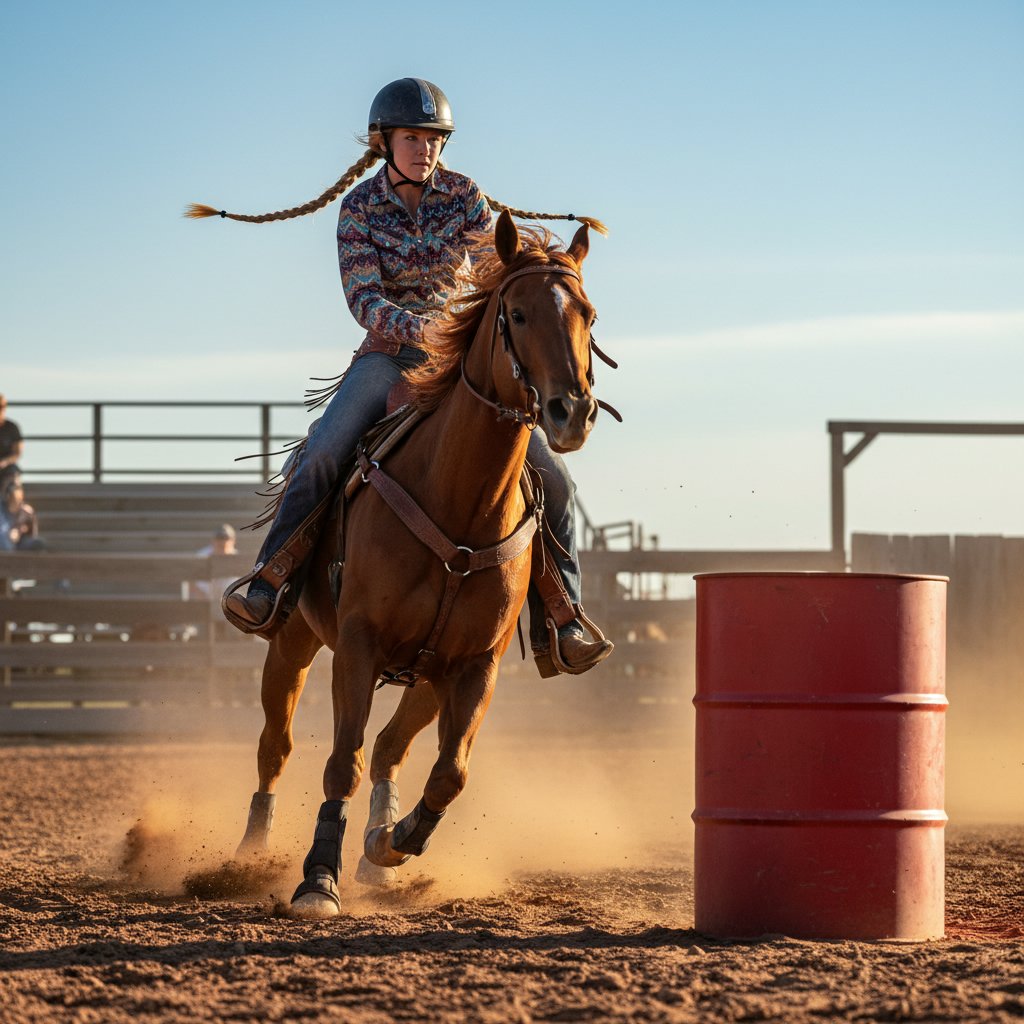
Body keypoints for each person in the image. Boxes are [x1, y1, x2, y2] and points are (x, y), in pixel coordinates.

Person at [188, 77, 612, 675]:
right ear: (385, 141)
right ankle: (271, 577)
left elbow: (500, 273)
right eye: (413, 137)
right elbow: (363, 298)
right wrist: (425, 333)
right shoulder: (358, 208)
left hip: (463, 367)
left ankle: (563, 617)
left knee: (556, 480)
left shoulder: (466, 197)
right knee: (325, 450)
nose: (425, 149)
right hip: (386, 355)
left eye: (434, 139)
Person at [186, 524, 239, 601]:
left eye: (226, 538)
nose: (222, 541)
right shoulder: (202, 555)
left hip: (227, 601)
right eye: (219, 538)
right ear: (213, 541)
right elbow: (190, 581)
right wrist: (200, 594)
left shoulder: (239, 559)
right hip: (203, 598)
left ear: (233, 541)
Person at [0, 467, 43, 551]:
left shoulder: (26, 511)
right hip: (4, 543)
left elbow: (32, 534)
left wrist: (19, 530)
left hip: (18, 544)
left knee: (38, 543)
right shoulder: (1, 507)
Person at [0, 395, 24, 473]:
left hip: (7, 466)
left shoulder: (12, 427)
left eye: (2, 407)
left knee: (12, 473)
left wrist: (5, 462)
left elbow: (17, 453)